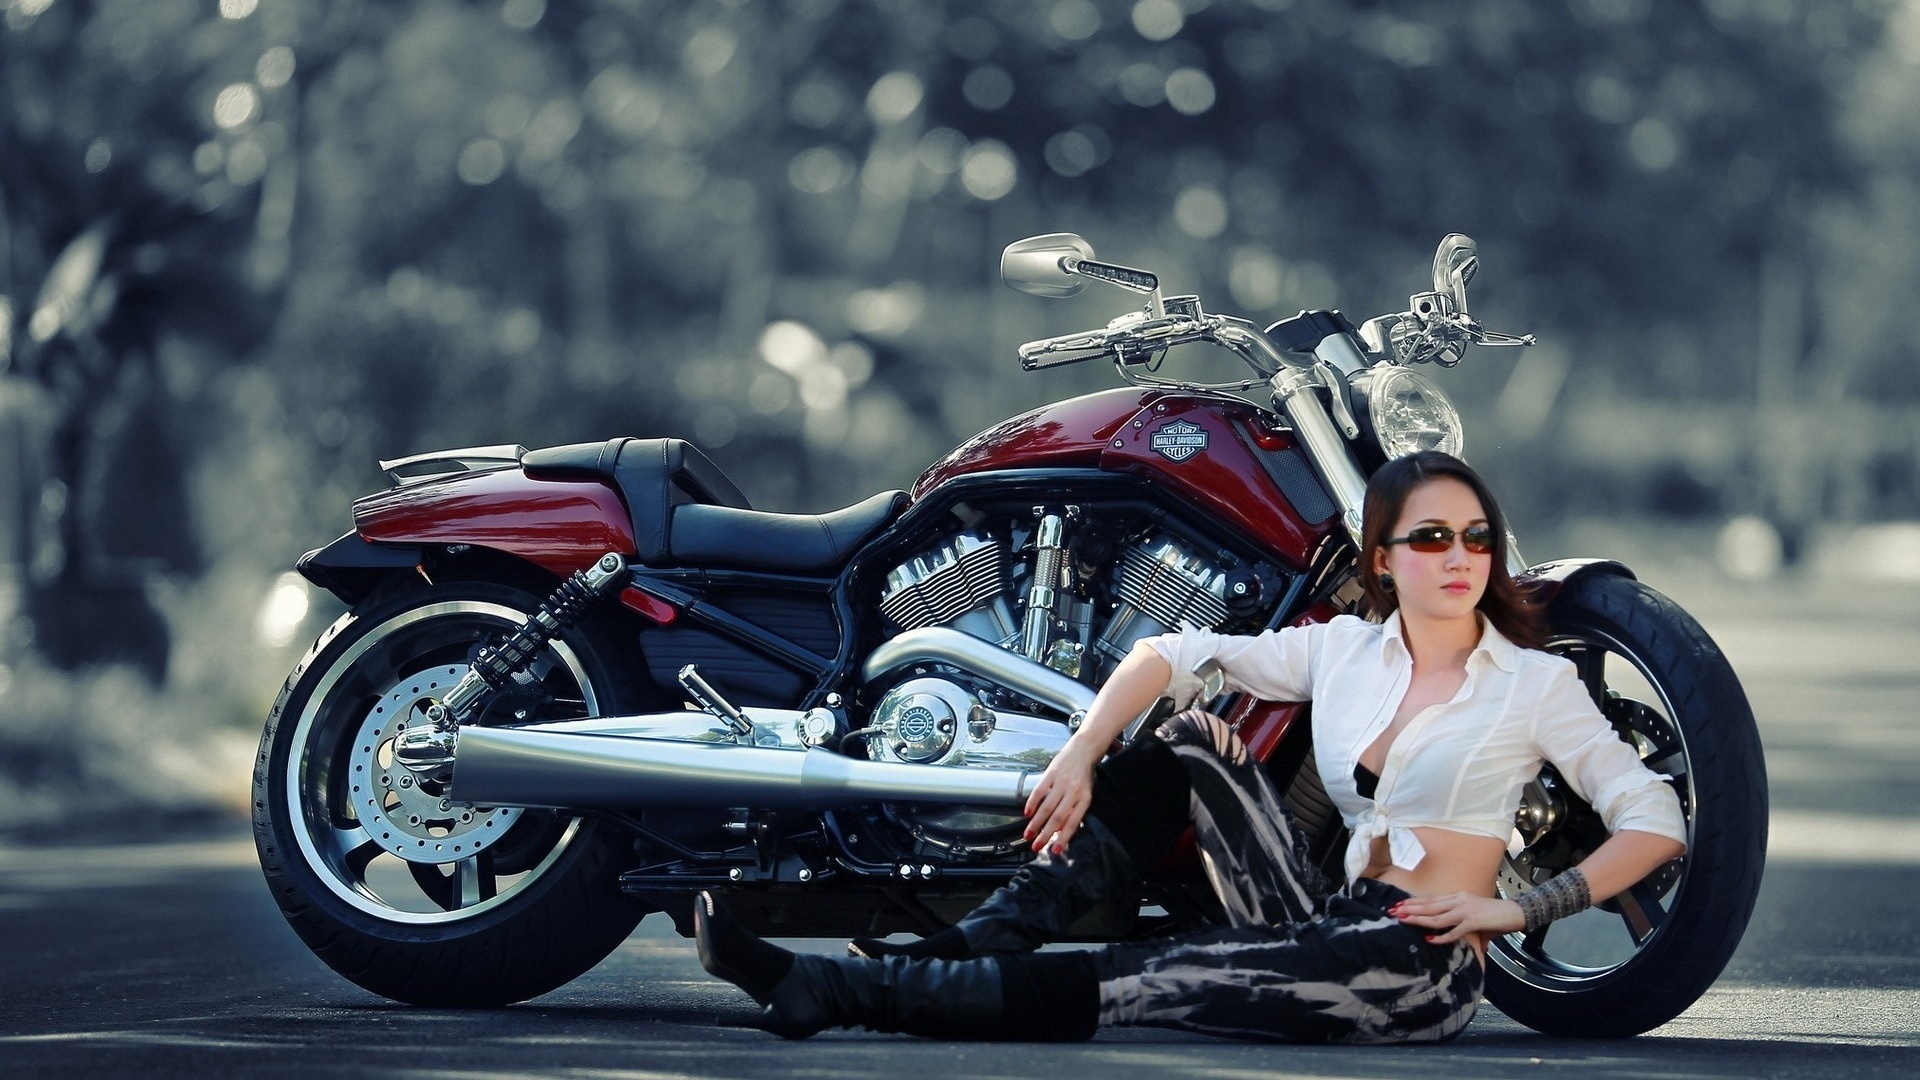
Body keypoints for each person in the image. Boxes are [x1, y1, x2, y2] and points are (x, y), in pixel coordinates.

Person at [695, 450, 1689, 1043]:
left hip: (1415, 963)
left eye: (1475, 537)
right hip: (1321, 910)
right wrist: (1080, 754)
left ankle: (835, 991)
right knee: (1194, 737)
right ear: (1382, 559)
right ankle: (975, 943)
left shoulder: (1531, 681)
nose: (1460, 558)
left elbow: (1654, 819)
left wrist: (1514, 907)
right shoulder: (1347, 652)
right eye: (1430, 539)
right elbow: (1170, 653)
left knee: (1153, 975)